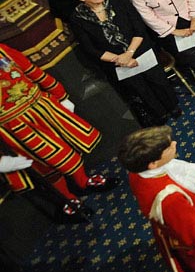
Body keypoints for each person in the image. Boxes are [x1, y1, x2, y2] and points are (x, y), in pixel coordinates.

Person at [0, 42, 119, 221]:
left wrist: (60, 94)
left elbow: (32, 71)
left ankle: (82, 182)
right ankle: (67, 198)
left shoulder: (2, 49)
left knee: (68, 146)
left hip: (42, 108)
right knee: (44, 163)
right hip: (15, 127)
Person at [120, 126, 195, 272]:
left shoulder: (137, 172)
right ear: (153, 164)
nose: (174, 144)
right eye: (168, 147)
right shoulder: (170, 199)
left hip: (184, 217)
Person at [68, 0, 179, 126]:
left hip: (140, 50)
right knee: (140, 90)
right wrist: (121, 59)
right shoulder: (77, 18)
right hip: (117, 62)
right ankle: (159, 113)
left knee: (158, 81)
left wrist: (129, 53)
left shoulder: (119, 3)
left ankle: (172, 107)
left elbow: (139, 29)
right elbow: (90, 48)